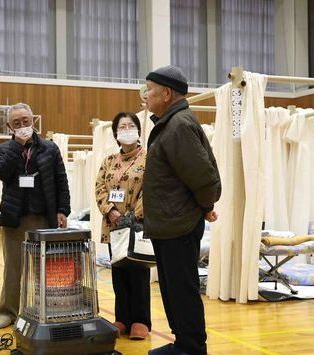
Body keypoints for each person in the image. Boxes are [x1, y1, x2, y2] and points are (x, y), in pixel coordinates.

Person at [143, 65, 221, 355]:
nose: (145, 96)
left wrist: (206, 206)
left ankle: (191, 348)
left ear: (166, 93)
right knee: (172, 288)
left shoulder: (178, 126)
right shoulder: (170, 124)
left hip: (179, 225)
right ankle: (182, 343)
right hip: (169, 224)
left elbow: (204, 178)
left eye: (148, 90)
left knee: (182, 289)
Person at [0, 102, 70, 329]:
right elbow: (1, 172)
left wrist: (62, 210)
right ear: (9, 126)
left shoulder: (50, 148)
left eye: (26, 121)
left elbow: (61, 181)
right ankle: (7, 312)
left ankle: (41, 310)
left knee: (44, 269)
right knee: (13, 269)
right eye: (17, 123)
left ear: (33, 120)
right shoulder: (3, 150)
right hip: (14, 219)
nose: (22, 126)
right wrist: (18, 146)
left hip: (43, 218)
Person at [95, 112, 150, 340]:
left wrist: (133, 215)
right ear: (116, 134)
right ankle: (122, 319)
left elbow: (152, 189)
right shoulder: (108, 161)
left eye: (130, 125)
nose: (126, 129)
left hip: (138, 226)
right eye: (122, 127)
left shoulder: (149, 158)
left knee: (138, 274)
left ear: (138, 130)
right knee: (119, 274)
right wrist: (113, 213)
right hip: (113, 227)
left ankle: (140, 321)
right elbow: (99, 188)